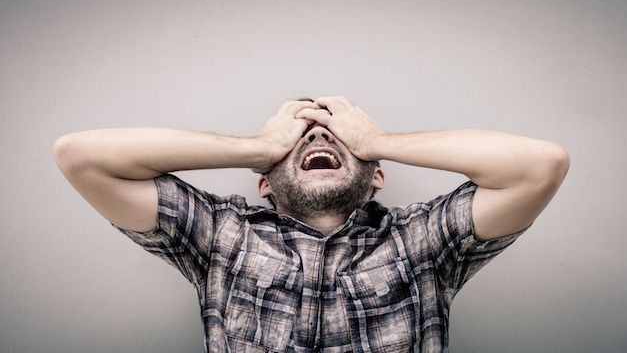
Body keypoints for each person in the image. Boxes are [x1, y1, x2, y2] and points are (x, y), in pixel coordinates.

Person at [53, 96, 570, 353]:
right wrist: (256, 149)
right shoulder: (221, 234)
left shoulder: (422, 241)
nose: (318, 141)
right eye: (299, 140)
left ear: (377, 177)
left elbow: (539, 165)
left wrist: (378, 138)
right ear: (264, 184)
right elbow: (81, 156)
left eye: (338, 140)